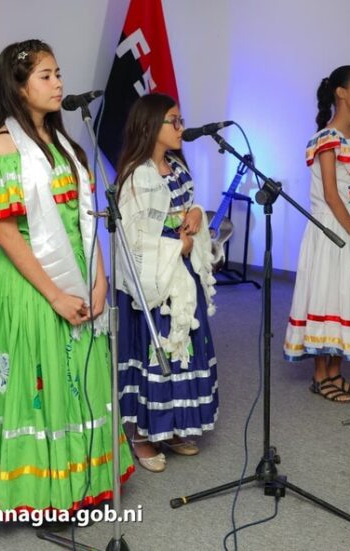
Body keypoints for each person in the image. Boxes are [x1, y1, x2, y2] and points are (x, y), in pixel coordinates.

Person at [0, 39, 133, 516]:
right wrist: (55, 295)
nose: (58, 84)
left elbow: (87, 220)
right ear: (19, 86)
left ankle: (80, 476)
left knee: (78, 378)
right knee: (40, 383)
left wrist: (99, 281)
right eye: (46, 76)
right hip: (33, 286)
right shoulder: (2, 145)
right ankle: (38, 488)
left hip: (80, 271)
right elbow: (7, 233)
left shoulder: (65, 143)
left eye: (58, 74)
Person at [115, 93, 218, 472]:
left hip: (181, 274)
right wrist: (177, 245)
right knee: (155, 354)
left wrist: (195, 214)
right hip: (153, 282)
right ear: (149, 126)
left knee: (181, 351)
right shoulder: (136, 177)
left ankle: (171, 426)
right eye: (173, 121)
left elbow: (187, 206)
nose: (181, 127)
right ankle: (142, 435)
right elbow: (133, 239)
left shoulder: (176, 167)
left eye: (180, 119)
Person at [283, 66, 350, 403]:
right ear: (341, 93)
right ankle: (320, 375)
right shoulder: (326, 139)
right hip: (332, 230)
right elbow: (330, 194)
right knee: (328, 295)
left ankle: (337, 372)